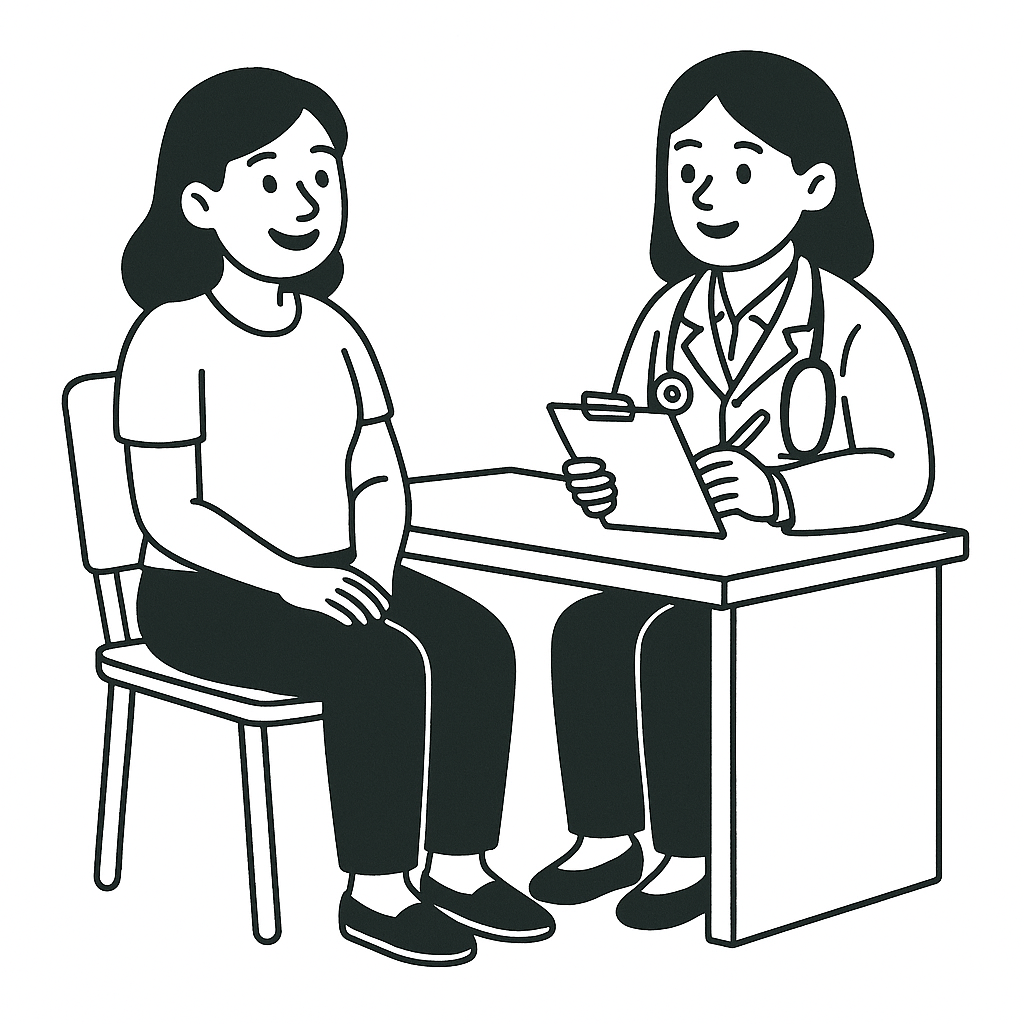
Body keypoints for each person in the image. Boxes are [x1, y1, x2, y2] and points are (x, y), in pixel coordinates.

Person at [116, 67, 553, 966]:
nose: (305, 199)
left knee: (475, 641)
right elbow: (167, 512)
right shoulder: (168, 336)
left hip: (339, 567)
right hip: (202, 593)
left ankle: (459, 865)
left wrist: (376, 568)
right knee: (378, 663)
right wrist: (292, 582)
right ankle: (378, 889)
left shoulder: (336, 331)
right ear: (200, 204)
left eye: (322, 173)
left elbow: (377, 469)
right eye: (270, 178)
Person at [529, 51, 933, 931]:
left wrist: (779, 491)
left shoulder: (854, 324)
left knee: (681, 645)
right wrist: (606, 480)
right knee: (590, 628)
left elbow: (903, 473)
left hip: (806, 584)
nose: (708, 194)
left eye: (743, 170)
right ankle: (606, 835)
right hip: (691, 564)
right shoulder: (666, 315)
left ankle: (691, 850)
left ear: (815, 186)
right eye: (686, 170)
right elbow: (634, 424)